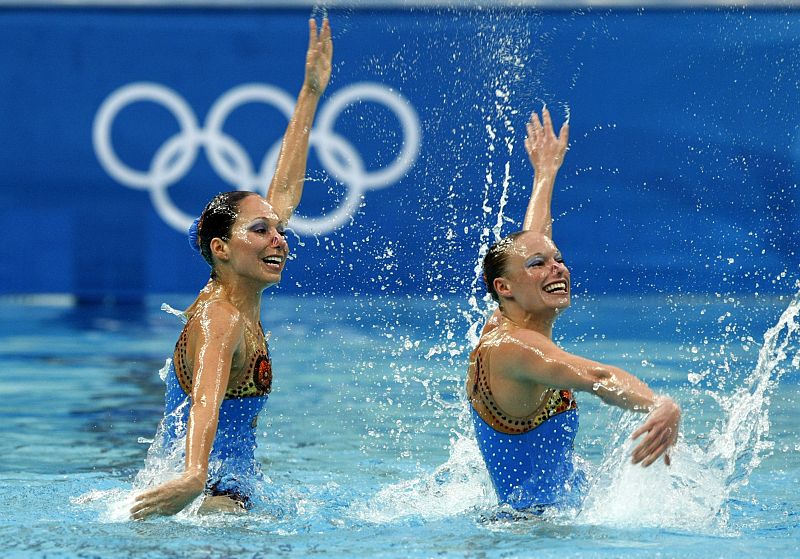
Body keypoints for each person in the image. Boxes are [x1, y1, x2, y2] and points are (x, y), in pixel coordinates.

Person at [130, 18, 333, 520]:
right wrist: (194, 478)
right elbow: (206, 401)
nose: (280, 239)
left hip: (224, 489)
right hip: (212, 500)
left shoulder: (235, 299)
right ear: (221, 248)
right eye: (261, 231)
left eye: (279, 231)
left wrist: (309, 93)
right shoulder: (220, 318)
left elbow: (282, 194)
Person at [467, 107, 681, 512]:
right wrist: (658, 404)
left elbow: (533, 242)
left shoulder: (505, 316)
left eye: (558, 259)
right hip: (536, 533)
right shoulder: (515, 350)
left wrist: (545, 172)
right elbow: (595, 376)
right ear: (504, 288)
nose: (557, 268)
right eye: (540, 265)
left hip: (560, 513)